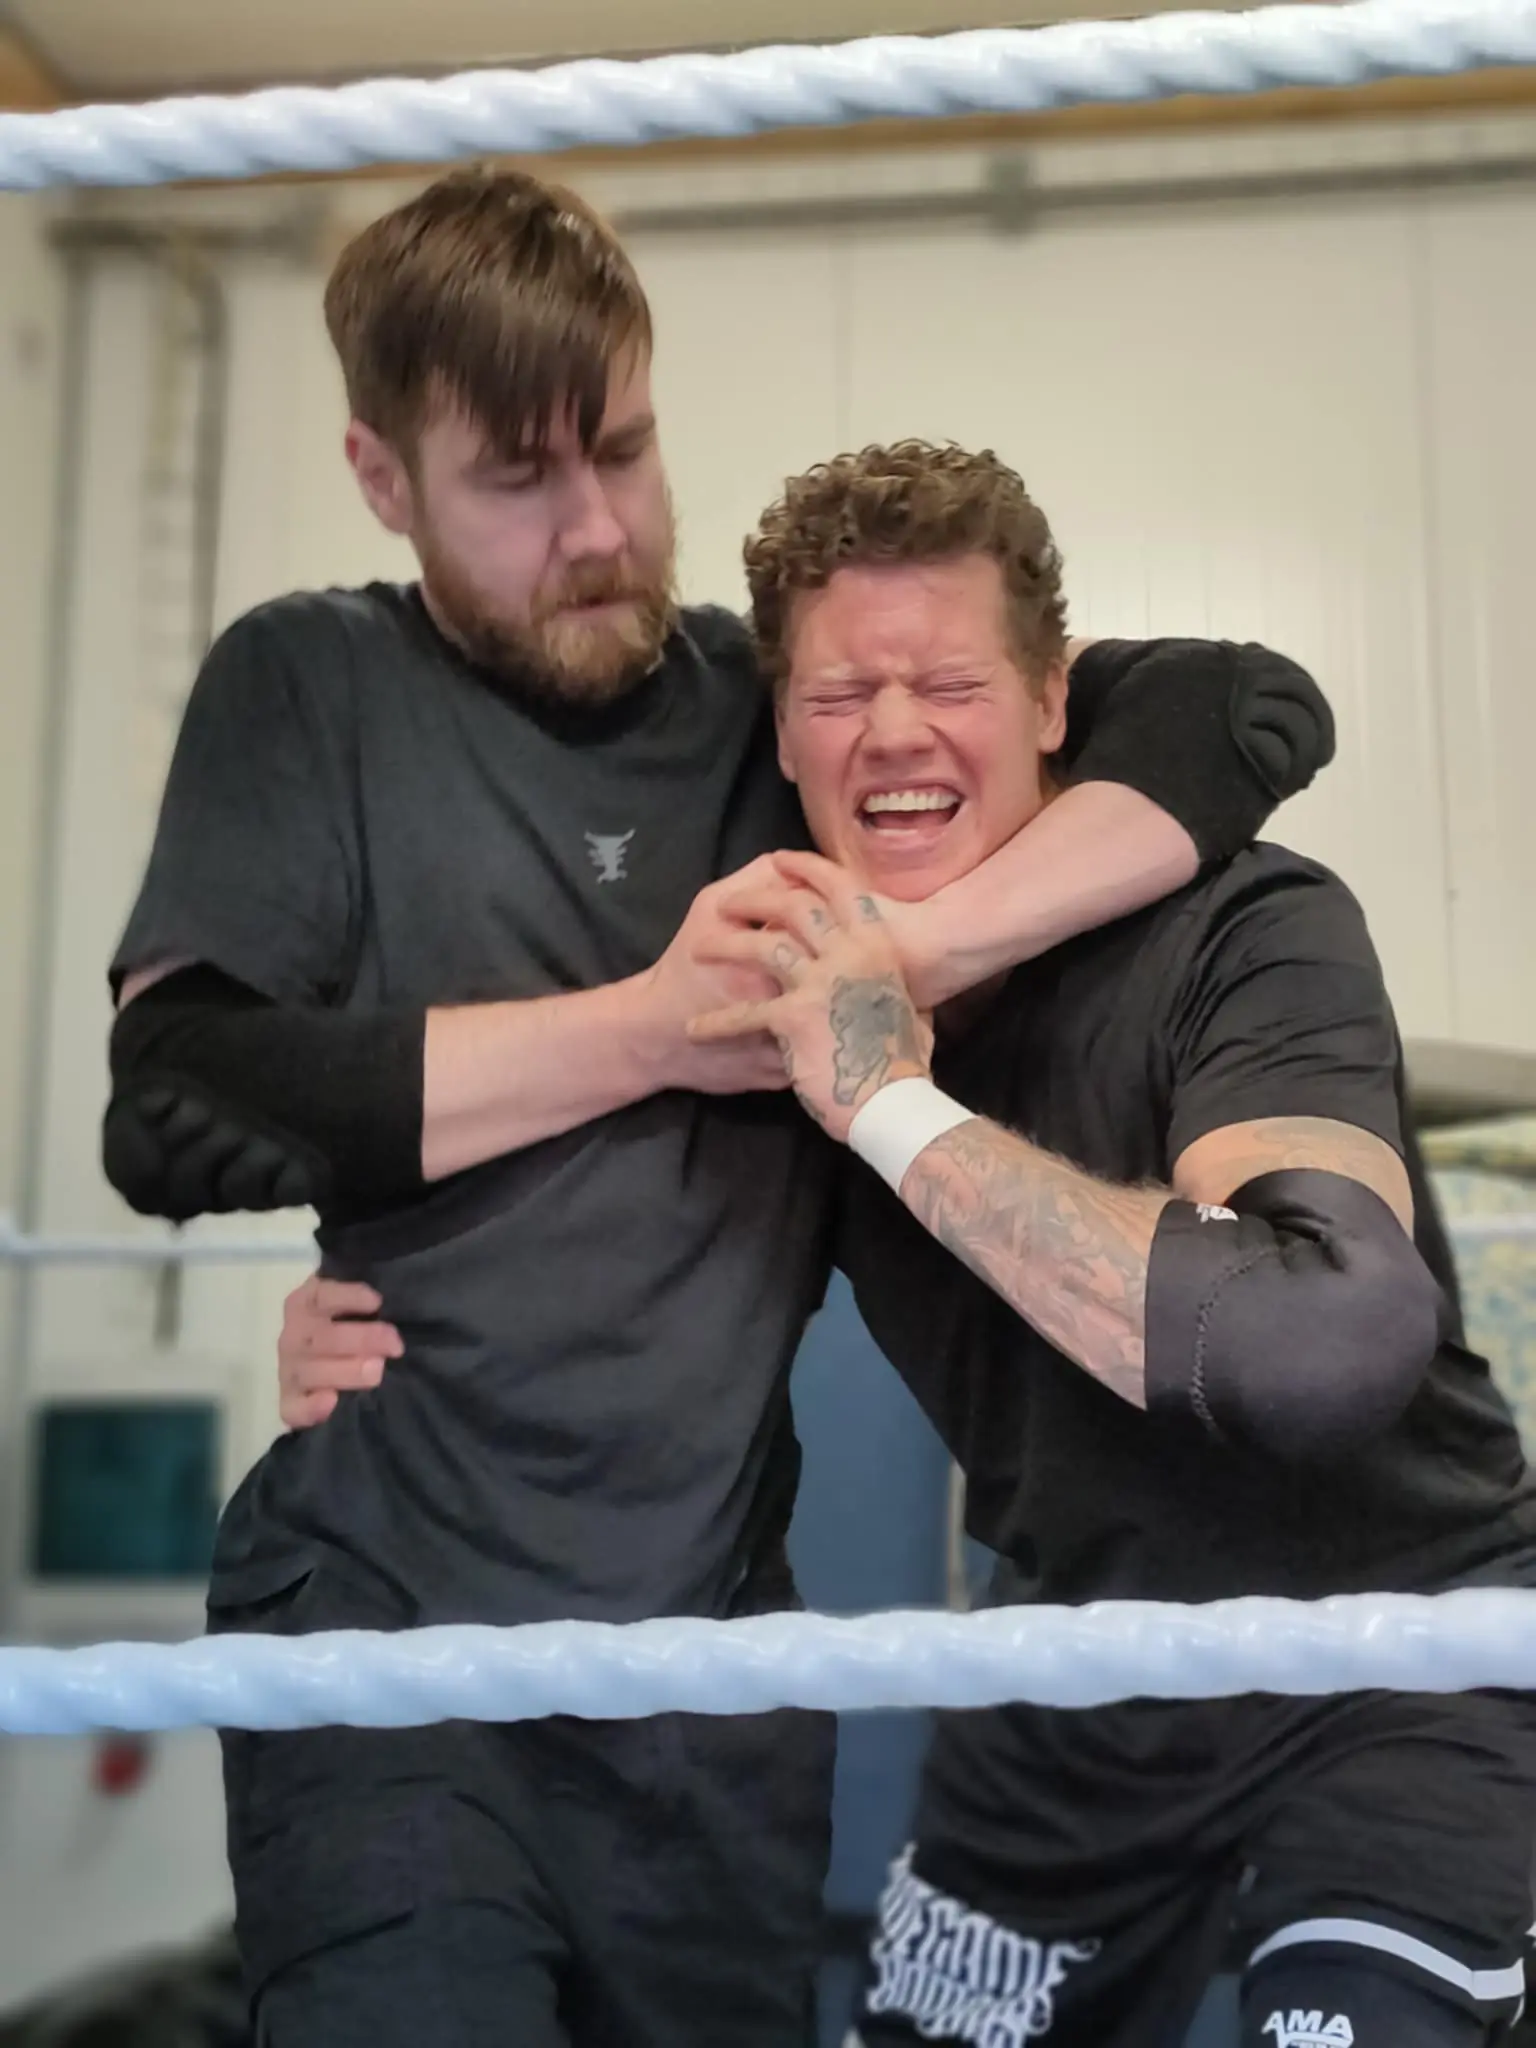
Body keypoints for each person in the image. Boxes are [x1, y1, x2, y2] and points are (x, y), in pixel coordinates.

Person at [105, 163, 1333, 2048]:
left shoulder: (780, 713)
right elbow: (173, 1106)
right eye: (520, 478)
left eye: (626, 445)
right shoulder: (311, 680)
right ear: (382, 477)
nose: (600, 529)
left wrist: (909, 964)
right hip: (384, 1629)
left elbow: (1249, 711)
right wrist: (657, 1026)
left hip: (708, 1678)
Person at [668, 439, 1536, 2048]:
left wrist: (891, 1102)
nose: (899, 734)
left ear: (1060, 700)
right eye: (843, 694)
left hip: (1401, 1649)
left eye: (951, 682)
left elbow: (1322, 1346)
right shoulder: (773, 984)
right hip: (1081, 1659)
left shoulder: (1246, 928)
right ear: (779, 727)